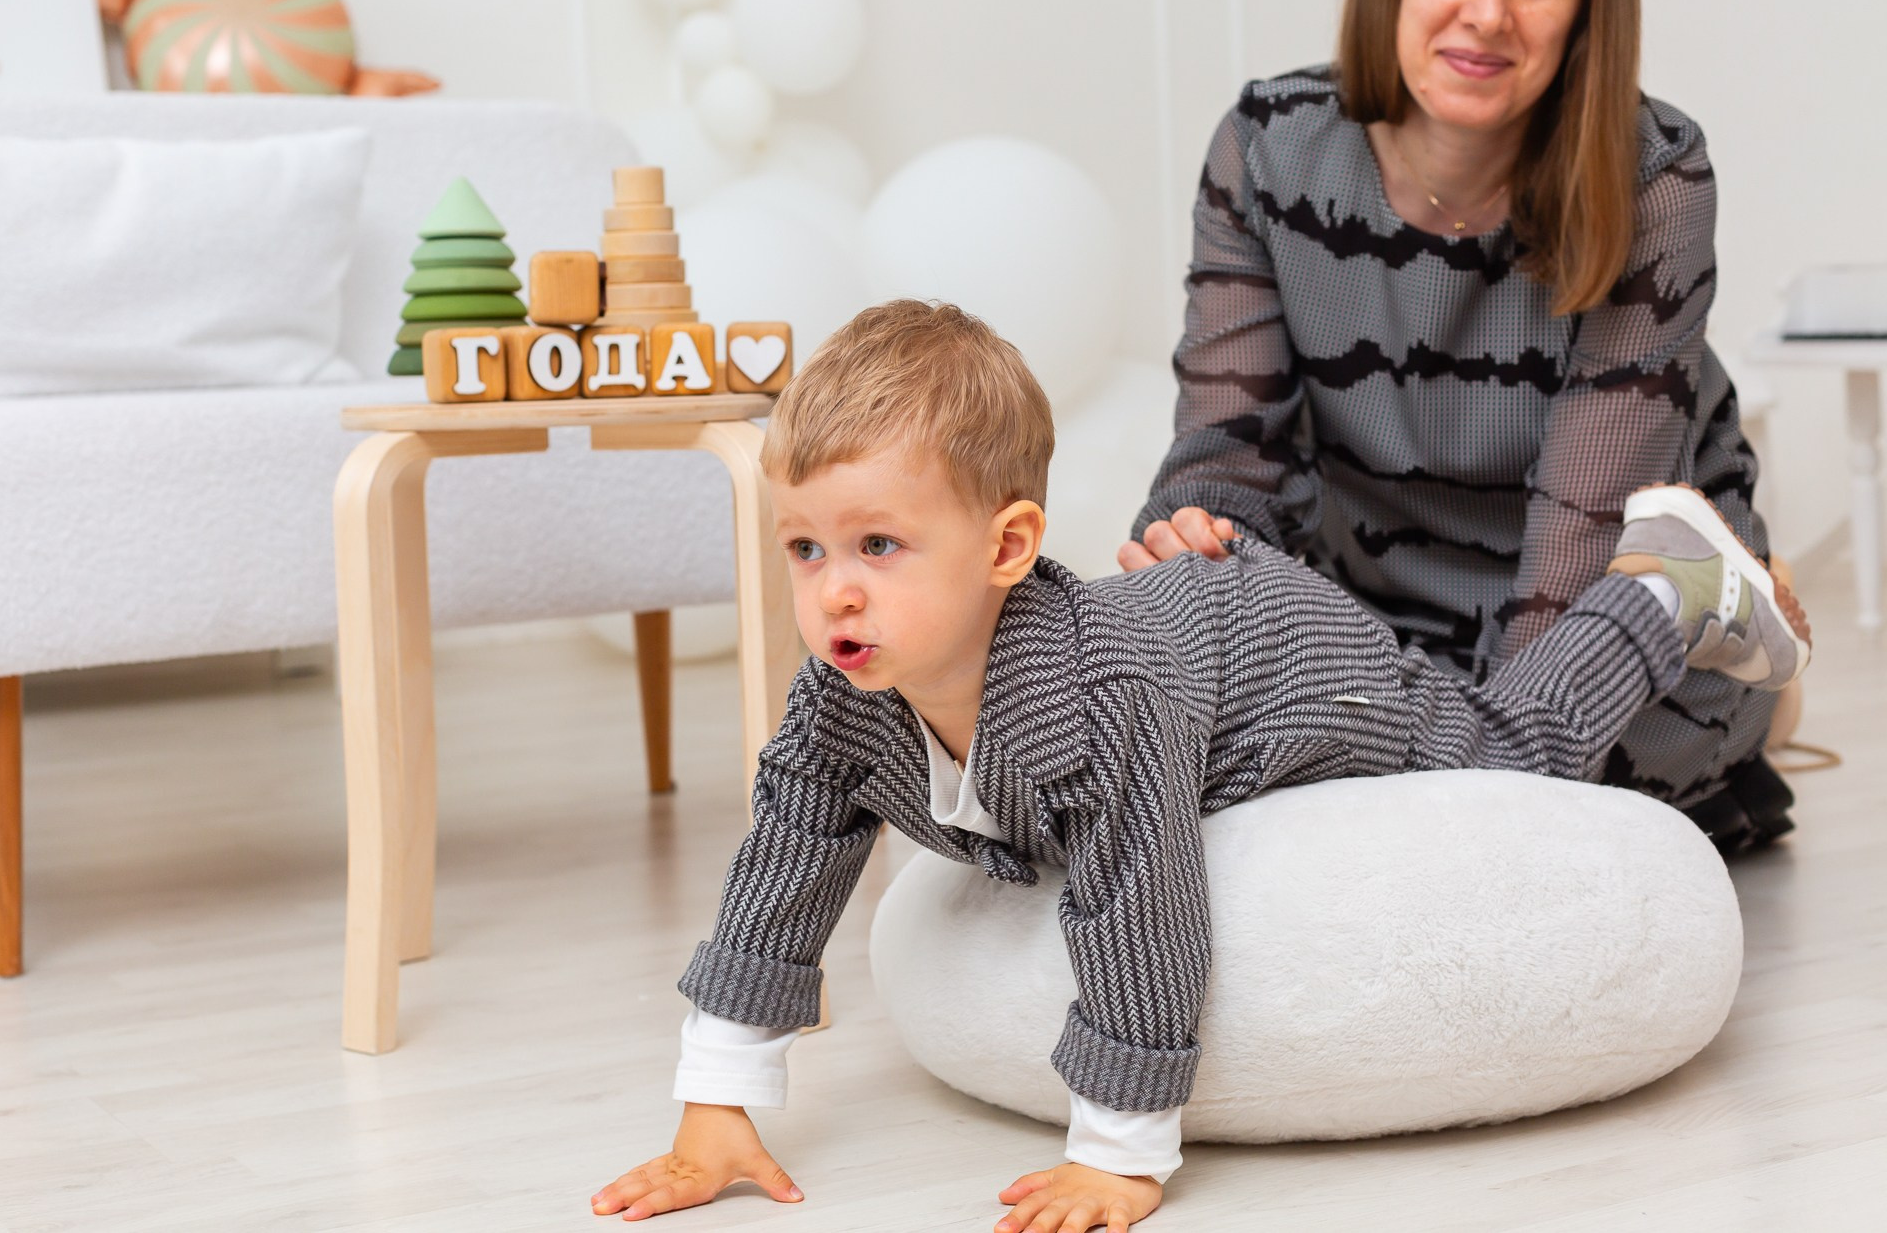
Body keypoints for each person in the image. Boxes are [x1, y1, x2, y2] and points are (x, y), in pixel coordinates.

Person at [590, 299, 1808, 1231]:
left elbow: (1141, 902)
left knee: (1513, 746)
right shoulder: (838, 697)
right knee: (803, 823)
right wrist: (715, 1108)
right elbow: (781, 864)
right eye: (803, 548)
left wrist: (1115, 1148)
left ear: (1007, 544)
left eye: (877, 544)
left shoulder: (1096, 705)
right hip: (1194, 661)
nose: (832, 588)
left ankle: (1668, 581)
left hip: (1288, 660)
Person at [1125, 0, 1794, 854]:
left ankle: (1745, 646)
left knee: (1520, 819)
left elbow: (1582, 535)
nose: (1486, 14)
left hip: (1589, 613)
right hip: (1377, 615)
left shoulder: (1654, 177)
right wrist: (1201, 541)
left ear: (1586, 8)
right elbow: (1228, 451)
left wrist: (1493, 760)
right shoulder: (1268, 147)